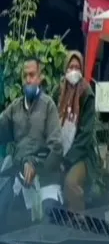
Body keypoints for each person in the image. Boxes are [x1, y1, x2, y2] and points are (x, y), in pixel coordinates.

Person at [0, 58, 64, 223]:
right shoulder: (14, 108)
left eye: (32, 75)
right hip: (19, 177)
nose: (28, 79)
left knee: (49, 223)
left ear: (39, 78)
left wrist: (35, 163)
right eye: (25, 75)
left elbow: (56, 147)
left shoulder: (48, 106)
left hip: (45, 178)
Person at [57, 51, 101, 212]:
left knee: (71, 183)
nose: (74, 71)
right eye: (71, 67)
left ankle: (80, 222)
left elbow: (86, 135)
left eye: (77, 67)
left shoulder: (86, 93)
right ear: (66, 69)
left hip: (82, 154)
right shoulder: (60, 91)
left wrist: (67, 159)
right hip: (62, 150)